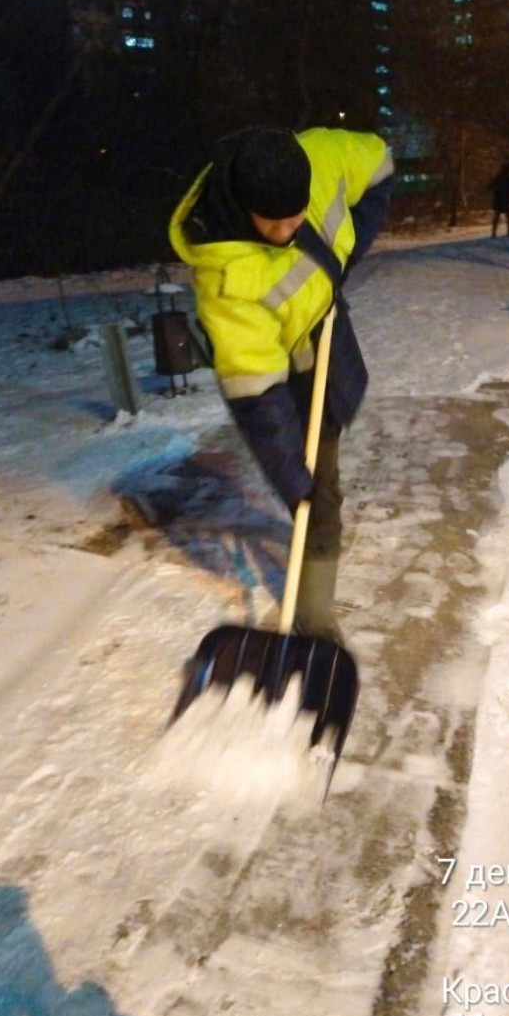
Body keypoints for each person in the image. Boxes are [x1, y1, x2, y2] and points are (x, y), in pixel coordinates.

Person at [169, 126, 394, 641]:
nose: (289, 227)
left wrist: (348, 248)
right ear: (245, 206)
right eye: (275, 221)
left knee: (324, 480)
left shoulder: (320, 154)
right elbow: (257, 394)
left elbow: (380, 163)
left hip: (327, 343)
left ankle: (313, 615)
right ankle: (316, 621)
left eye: (298, 214)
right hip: (280, 372)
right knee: (308, 486)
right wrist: (292, 476)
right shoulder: (225, 278)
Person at [489, 161, 509, 238]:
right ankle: (508, 231)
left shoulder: (498, 177)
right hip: (504, 198)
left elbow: (490, 186)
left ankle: (494, 233)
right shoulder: (507, 178)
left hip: (499, 199)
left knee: (498, 216)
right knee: (507, 216)